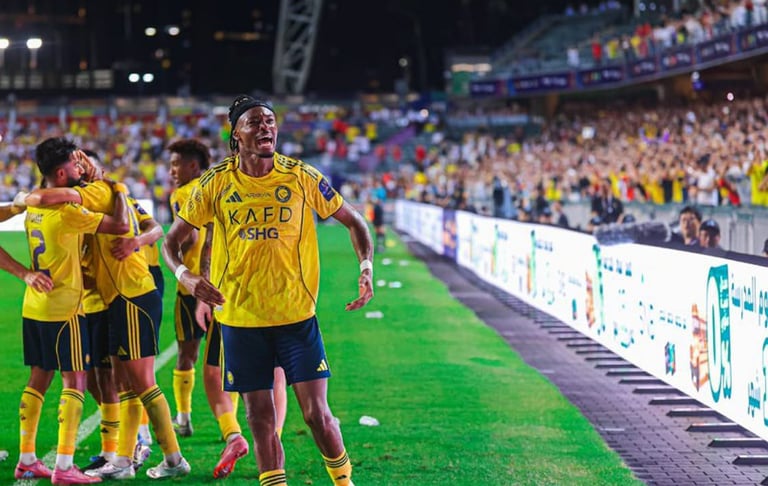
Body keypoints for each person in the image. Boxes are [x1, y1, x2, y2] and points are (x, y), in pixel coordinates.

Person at [162, 95, 374, 486]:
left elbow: (354, 221)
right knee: (259, 419)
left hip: (296, 316)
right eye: (255, 122)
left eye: (270, 121)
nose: (266, 127)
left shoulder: (301, 176)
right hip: (240, 319)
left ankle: (344, 482)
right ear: (236, 135)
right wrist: (186, 277)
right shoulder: (214, 183)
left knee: (316, 414)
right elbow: (170, 243)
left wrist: (366, 268)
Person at [18, 145, 190, 480]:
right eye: (78, 162)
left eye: (84, 162)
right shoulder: (104, 192)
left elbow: (144, 225)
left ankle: (172, 458)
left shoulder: (98, 192)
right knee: (123, 383)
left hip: (131, 294)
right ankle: (122, 459)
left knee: (140, 382)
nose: (82, 167)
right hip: (113, 298)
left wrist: (135, 240)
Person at [12, 137, 130, 484]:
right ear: (61, 173)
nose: (80, 169)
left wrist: (25, 273)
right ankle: (64, 467)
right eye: (75, 165)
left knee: (38, 380)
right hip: (65, 309)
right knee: (75, 381)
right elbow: (120, 225)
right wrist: (118, 189)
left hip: (35, 305)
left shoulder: (33, 207)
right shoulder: (68, 213)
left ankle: (27, 459)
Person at [166, 138, 256, 478]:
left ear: (193, 165)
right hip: (230, 287)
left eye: (176, 164)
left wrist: (191, 270)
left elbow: (190, 238)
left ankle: (185, 417)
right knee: (229, 361)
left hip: (193, 287)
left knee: (191, 357)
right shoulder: (223, 185)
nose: (172, 171)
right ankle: (239, 431)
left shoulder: (184, 194)